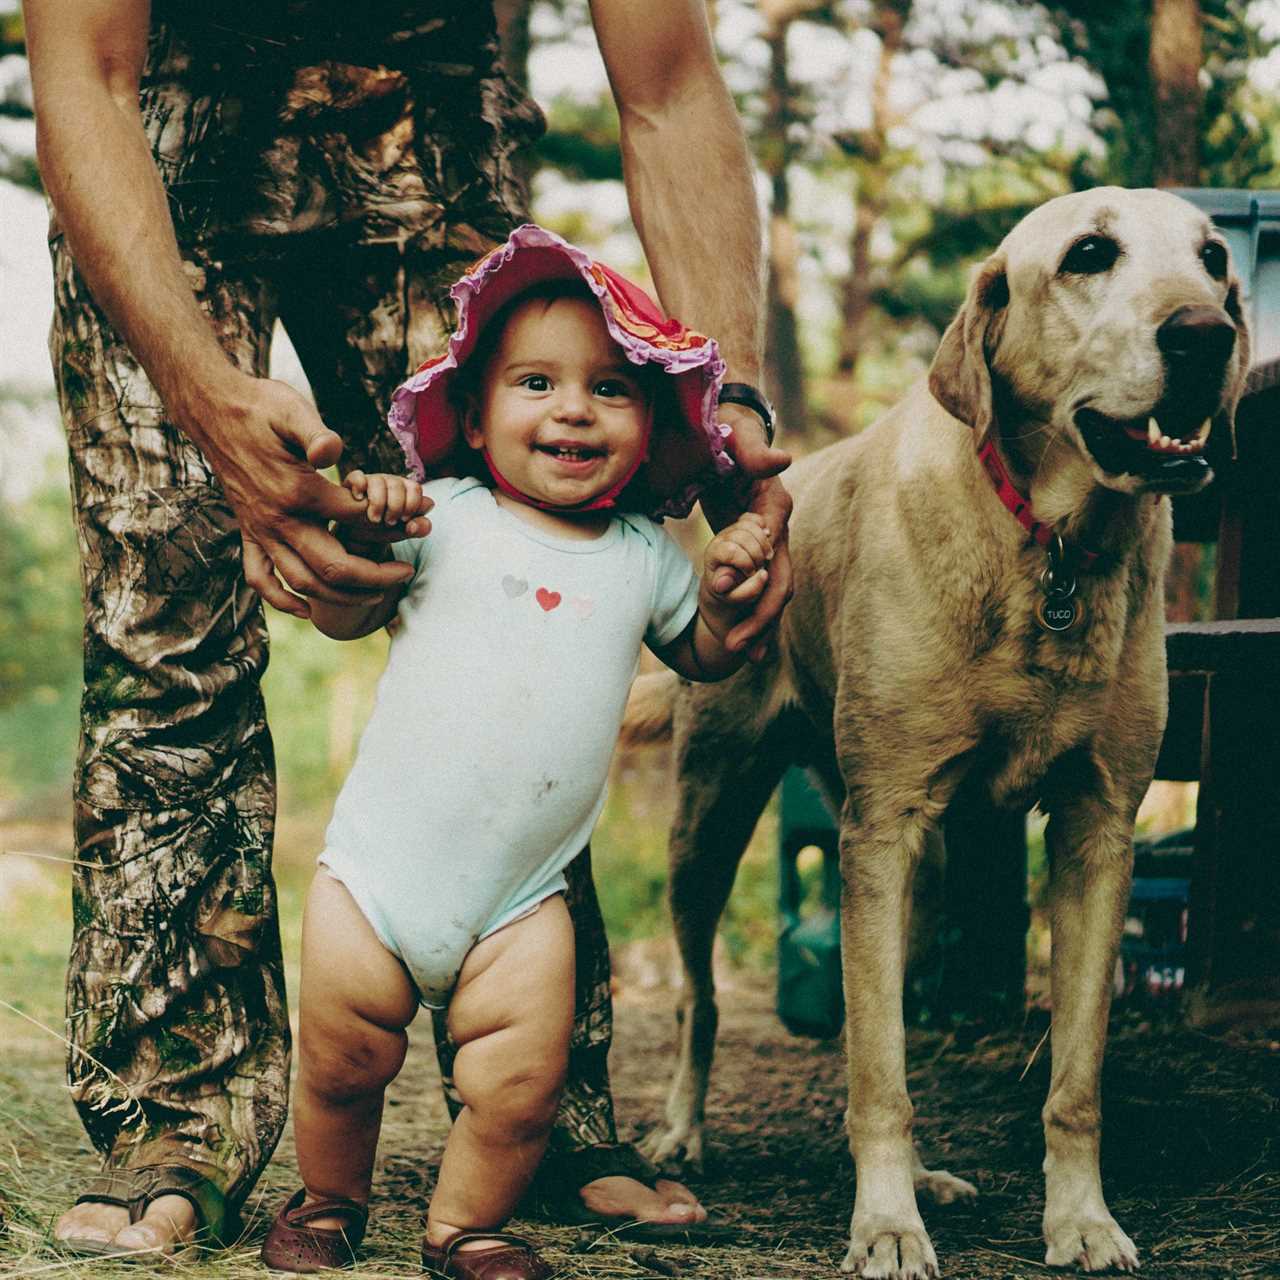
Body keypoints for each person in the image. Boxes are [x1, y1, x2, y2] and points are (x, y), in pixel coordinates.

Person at [24, 0, 793, 1259]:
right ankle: (177, 1116)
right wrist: (208, 405)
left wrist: (727, 408)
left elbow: (666, 85)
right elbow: (85, 75)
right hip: (159, 127)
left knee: (543, 579)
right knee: (166, 632)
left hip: (430, 115)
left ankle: (545, 1108)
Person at [258, 230, 774, 1277]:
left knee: (519, 1084)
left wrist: (726, 589)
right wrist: (373, 522)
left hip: (522, 901)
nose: (573, 408)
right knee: (344, 1063)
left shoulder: (645, 558)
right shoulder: (439, 516)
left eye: (611, 388)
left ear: (652, 427)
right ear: (476, 412)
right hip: (375, 877)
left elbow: (708, 656)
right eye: (535, 382)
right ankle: (327, 1199)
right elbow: (344, 618)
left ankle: (463, 1225)